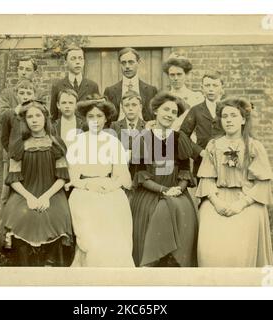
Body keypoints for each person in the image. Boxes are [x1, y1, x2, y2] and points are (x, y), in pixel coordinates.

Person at [196, 98, 273, 267]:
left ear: (243, 120)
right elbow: (206, 178)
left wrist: (241, 204)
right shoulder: (213, 145)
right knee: (208, 240)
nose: (229, 120)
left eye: (233, 115)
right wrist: (216, 202)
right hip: (218, 197)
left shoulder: (254, 146)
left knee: (241, 249)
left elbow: (263, 183)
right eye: (225, 116)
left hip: (246, 199)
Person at [130, 92, 204, 267]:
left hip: (177, 189)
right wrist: (163, 190)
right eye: (165, 109)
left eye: (173, 112)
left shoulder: (180, 138)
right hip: (150, 191)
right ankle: (155, 258)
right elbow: (141, 175)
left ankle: (177, 260)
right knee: (161, 207)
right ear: (155, 111)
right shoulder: (143, 138)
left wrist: (178, 188)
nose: (169, 114)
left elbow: (185, 170)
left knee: (180, 207)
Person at [0, 101, 73, 266]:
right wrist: (30, 198)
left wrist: (46, 197)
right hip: (24, 191)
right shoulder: (19, 145)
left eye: (38, 115)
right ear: (24, 121)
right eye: (29, 116)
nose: (34, 120)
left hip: (52, 191)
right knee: (21, 215)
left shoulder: (56, 144)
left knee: (57, 216)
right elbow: (14, 179)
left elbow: (62, 177)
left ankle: (52, 262)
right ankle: (24, 265)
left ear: (45, 118)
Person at [65, 94, 135, 267]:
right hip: (84, 190)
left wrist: (110, 185)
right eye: (91, 116)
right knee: (93, 238)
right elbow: (73, 176)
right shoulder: (77, 141)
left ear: (106, 119)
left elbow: (122, 176)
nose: (95, 120)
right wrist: (89, 184)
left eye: (99, 116)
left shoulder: (112, 141)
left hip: (109, 190)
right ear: (85, 119)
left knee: (115, 228)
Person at [0, 56, 46, 231]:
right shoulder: (7, 93)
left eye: (28, 69)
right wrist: (12, 150)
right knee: (7, 192)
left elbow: (44, 119)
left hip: (35, 153)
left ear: (33, 72)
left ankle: (31, 229)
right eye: (21, 68)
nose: (24, 72)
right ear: (17, 70)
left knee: (32, 189)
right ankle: (3, 232)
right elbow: (2, 117)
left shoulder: (39, 94)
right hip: (13, 152)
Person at [180, 71, 225, 178]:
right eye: (207, 85)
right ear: (202, 88)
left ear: (221, 88)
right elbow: (182, 135)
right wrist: (199, 152)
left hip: (225, 161)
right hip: (202, 162)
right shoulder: (195, 110)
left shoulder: (227, 109)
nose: (211, 89)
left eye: (215, 85)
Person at [104, 47, 157, 122]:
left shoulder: (151, 91)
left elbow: (155, 118)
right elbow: (106, 118)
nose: (127, 66)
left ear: (138, 62)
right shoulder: (110, 91)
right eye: (123, 63)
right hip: (117, 131)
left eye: (131, 62)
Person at [49, 46, 100, 121]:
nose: (77, 62)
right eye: (73, 58)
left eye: (80, 58)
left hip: (86, 129)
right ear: (66, 62)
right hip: (65, 129)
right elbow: (54, 115)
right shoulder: (57, 86)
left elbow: (97, 111)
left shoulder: (93, 86)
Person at [162, 56, 205, 131]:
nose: (176, 78)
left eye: (179, 74)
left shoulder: (196, 98)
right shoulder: (163, 98)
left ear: (186, 75)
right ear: (168, 76)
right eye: (172, 75)